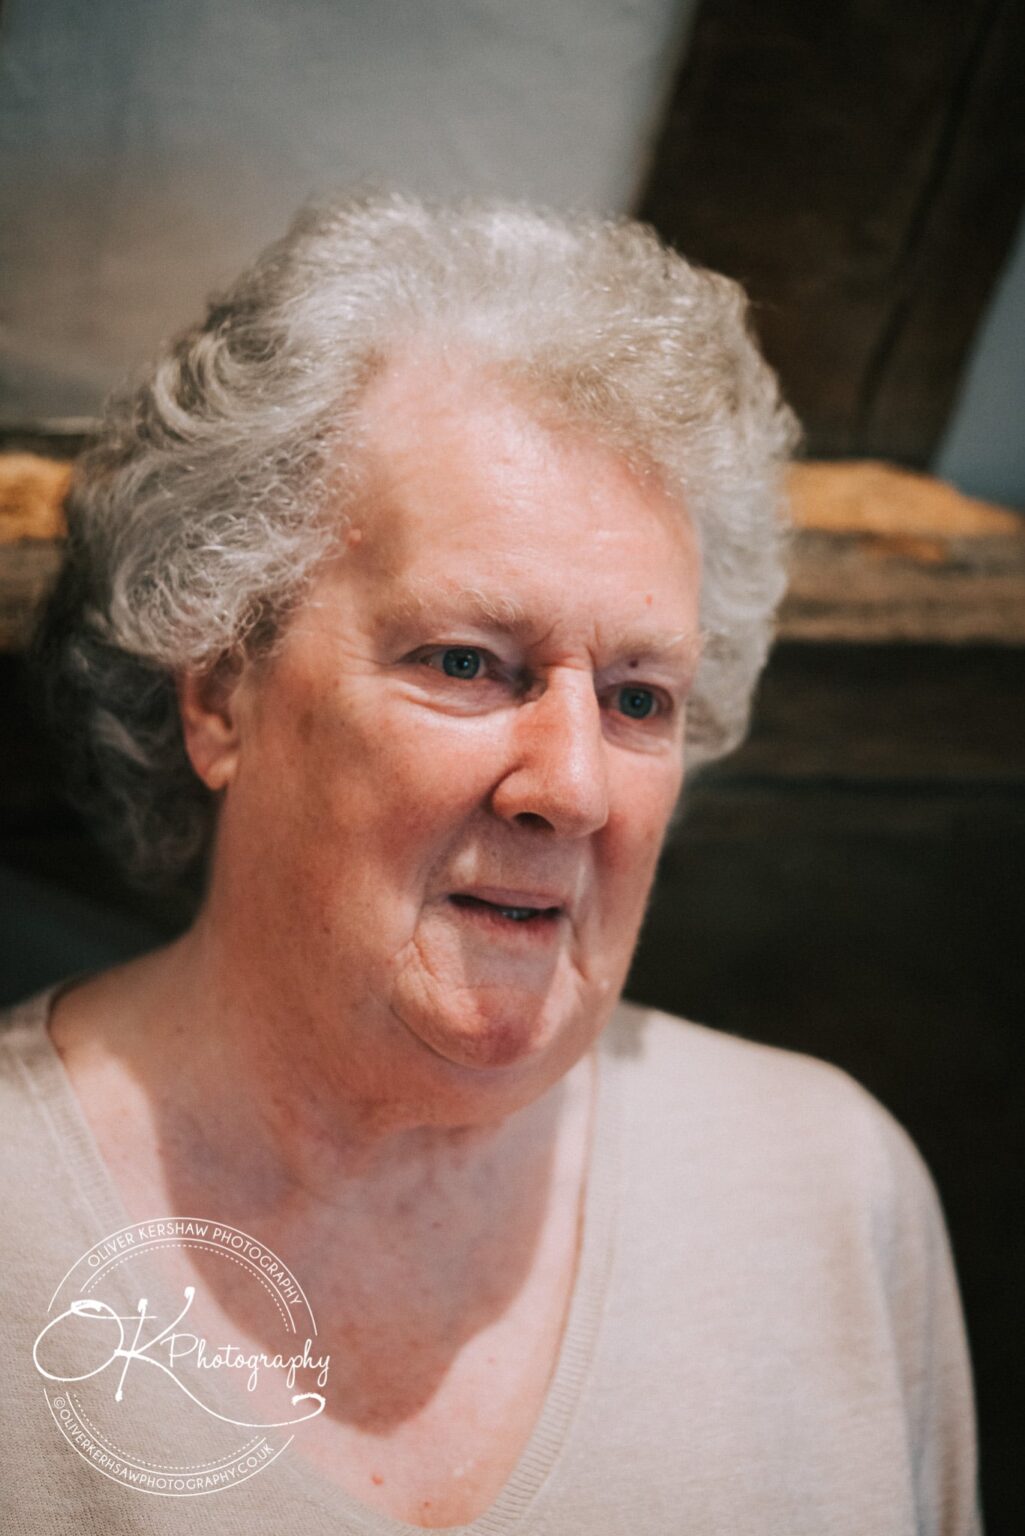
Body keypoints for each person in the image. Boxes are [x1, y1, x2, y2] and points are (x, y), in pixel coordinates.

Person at [1, 192, 980, 1533]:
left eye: (638, 697)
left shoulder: (823, 1191)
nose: (571, 785)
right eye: (466, 663)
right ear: (221, 695)